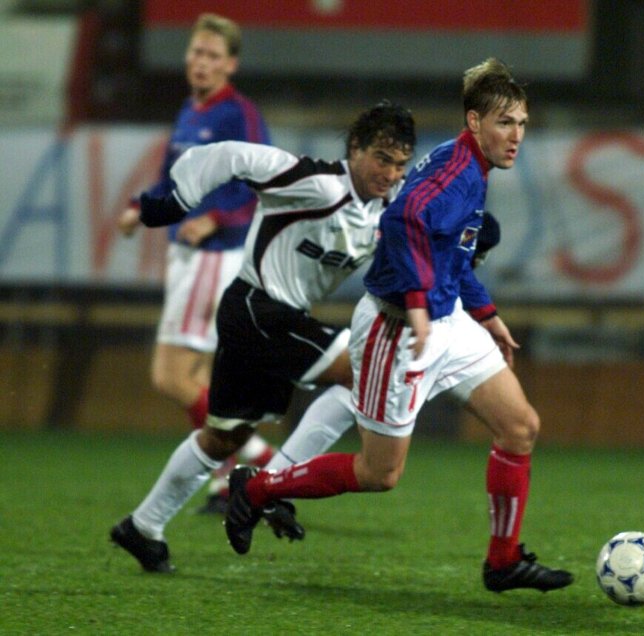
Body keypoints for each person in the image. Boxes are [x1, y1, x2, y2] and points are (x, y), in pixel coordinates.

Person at [224, 58, 574, 595]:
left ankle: (502, 561)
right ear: (475, 122)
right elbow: (401, 218)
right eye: (506, 123)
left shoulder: (470, 167)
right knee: (379, 474)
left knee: (520, 426)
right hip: (398, 329)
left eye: (523, 123)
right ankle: (257, 489)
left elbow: (454, 256)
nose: (517, 136)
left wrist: (487, 316)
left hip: (445, 320)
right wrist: (415, 303)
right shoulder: (458, 173)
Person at [110, 101, 417, 572]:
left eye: (400, 163)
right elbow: (231, 156)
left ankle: (143, 527)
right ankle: (271, 490)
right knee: (363, 376)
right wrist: (172, 201)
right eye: (381, 157)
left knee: (223, 438)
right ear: (355, 148)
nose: (390, 172)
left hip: (269, 317)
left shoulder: (387, 214)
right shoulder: (314, 182)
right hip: (258, 308)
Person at [116, 13, 275, 507]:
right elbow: (172, 178)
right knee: (202, 379)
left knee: (171, 375)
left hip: (213, 257)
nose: (200, 62)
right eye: (195, 52)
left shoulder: (237, 113)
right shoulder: (189, 110)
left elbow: (263, 182)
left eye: (212, 55)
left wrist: (217, 219)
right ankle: (232, 478)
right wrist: (142, 207)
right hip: (186, 255)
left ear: (230, 64)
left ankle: (250, 452)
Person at [262, 210, 502, 473]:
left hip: (422, 321)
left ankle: (266, 481)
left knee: (519, 426)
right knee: (379, 468)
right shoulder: (420, 214)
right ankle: (264, 484)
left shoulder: (443, 207)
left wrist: (485, 313)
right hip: (387, 321)